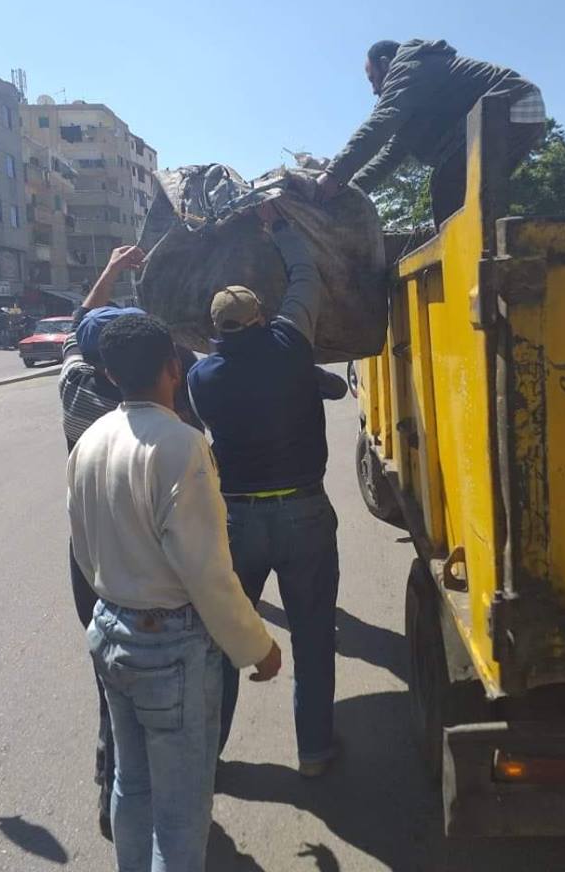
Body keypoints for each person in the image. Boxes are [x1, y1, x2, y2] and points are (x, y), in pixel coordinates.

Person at [68, 313, 281, 871]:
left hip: (110, 630)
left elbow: (83, 549)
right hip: (169, 650)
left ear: (111, 375)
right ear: (173, 366)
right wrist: (257, 646)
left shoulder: (89, 440)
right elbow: (206, 571)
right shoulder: (182, 445)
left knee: (131, 787)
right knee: (182, 813)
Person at [187, 207, 340, 778]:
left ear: (216, 330)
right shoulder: (290, 344)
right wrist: (281, 231)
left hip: (240, 522)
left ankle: (212, 751)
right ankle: (315, 753)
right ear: (259, 318)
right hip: (304, 511)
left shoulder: (203, 379)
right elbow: (307, 279)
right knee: (313, 634)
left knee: (229, 635)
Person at [59, 244, 202, 840]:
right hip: (154, 556)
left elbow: (74, 332)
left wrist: (111, 272)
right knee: (166, 681)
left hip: (90, 553)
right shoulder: (169, 415)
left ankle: (112, 793)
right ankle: (167, 806)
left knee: (110, 674)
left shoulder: (72, 391)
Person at [316, 39, 545, 227]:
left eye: (373, 79)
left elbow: (381, 123)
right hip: (520, 110)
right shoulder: (419, 94)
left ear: (386, 64)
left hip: (513, 105)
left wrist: (334, 175)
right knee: (467, 190)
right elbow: (391, 154)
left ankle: (467, 263)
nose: (374, 90)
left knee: (448, 181)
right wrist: (351, 191)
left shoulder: (408, 67)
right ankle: (478, 251)